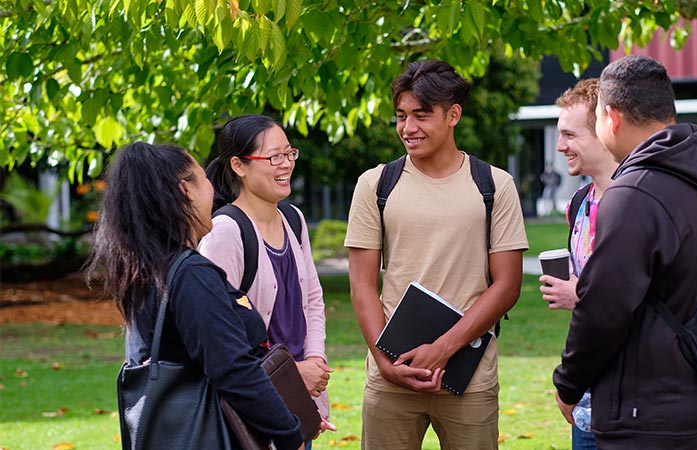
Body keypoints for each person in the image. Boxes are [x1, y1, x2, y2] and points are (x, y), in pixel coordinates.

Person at [552, 55, 697, 450]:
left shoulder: (634, 193)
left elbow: (604, 309)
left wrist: (567, 385)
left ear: (611, 119)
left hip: (648, 417)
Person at [344, 59, 528, 449]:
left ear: (453, 115)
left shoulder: (494, 185)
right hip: (390, 373)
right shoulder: (375, 185)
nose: (408, 129)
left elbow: (508, 285)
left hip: (469, 377)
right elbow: (361, 284)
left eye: (421, 116)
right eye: (401, 116)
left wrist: (441, 350)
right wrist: (385, 363)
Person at [87, 142, 306, 450]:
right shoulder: (191, 275)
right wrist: (288, 433)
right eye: (204, 180)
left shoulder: (148, 271)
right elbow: (233, 369)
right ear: (185, 190)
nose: (213, 193)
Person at [199, 115, 333, 448]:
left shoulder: (293, 218)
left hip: (301, 399)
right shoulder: (225, 233)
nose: (286, 164)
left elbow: (312, 300)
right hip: (256, 408)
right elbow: (219, 338)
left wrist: (314, 361)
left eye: (290, 154)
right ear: (238, 165)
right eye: (274, 157)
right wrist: (293, 376)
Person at [539, 78, 617, 450]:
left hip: (635, 400)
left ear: (604, 130)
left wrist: (579, 294)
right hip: (586, 397)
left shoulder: (641, 201)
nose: (560, 146)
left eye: (570, 135)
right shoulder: (578, 204)